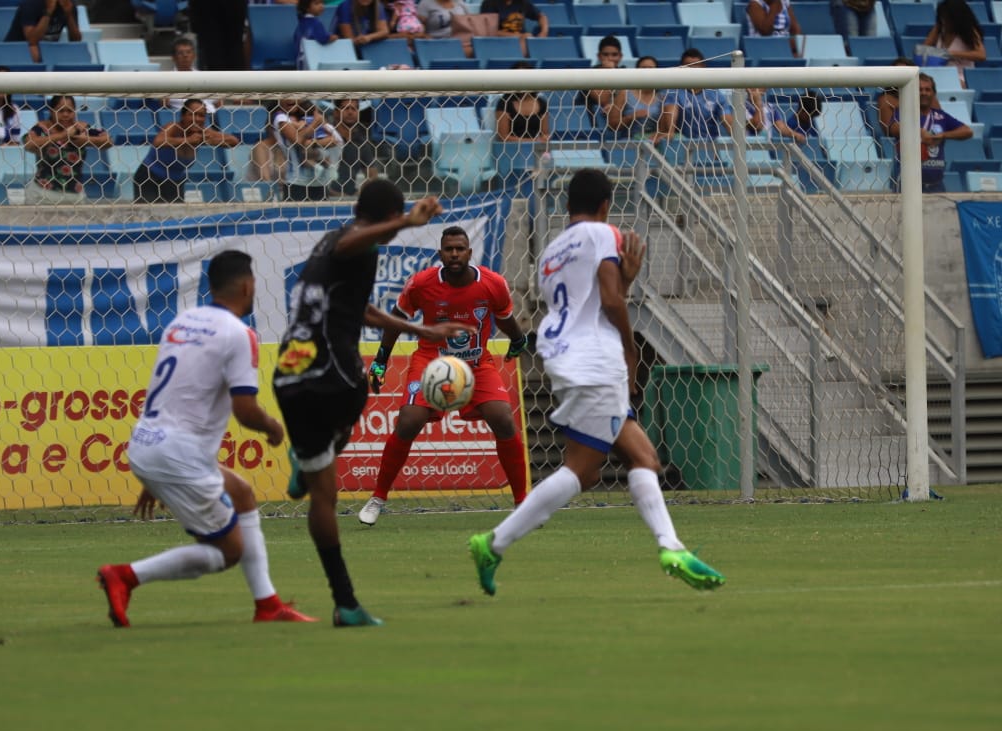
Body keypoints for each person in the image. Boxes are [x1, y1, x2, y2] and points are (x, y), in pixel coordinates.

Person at [468, 168, 725, 597]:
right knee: (584, 469)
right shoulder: (603, 233)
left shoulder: (551, 251)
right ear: (605, 205)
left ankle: (671, 547)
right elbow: (608, 302)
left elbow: (589, 300)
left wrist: (626, 278)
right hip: (596, 357)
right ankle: (494, 544)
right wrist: (630, 347)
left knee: (640, 457)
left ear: (568, 205)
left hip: (565, 355)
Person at [271, 179, 472, 626]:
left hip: (288, 372)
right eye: (395, 221)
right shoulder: (351, 243)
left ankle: (345, 603)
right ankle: (311, 463)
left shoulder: (330, 243)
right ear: (387, 217)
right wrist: (406, 220)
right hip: (329, 373)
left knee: (322, 493)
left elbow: (364, 311)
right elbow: (352, 244)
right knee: (362, 388)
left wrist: (424, 331)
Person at [97, 250, 318, 627]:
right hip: (178, 455)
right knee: (228, 552)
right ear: (249, 286)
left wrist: (156, 474)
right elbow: (245, 411)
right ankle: (126, 576)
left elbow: (166, 394)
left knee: (243, 493)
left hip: (148, 443)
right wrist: (274, 428)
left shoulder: (181, 322)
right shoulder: (239, 334)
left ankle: (268, 605)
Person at [357, 226, 533, 526]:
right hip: (432, 363)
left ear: (469, 252)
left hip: (476, 364)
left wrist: (518, 340)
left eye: (460, 248)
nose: (454, 254)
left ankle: (523, 504)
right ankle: (377, 497)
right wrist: (380, 362)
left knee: (503, 418)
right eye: (449, 249)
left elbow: (505, 318)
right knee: (409, 420)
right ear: (440, 254)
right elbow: (396, 321)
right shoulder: (422, 284)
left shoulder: (493, 284)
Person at [134, 98, 239, 204]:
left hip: (175, 182)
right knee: (150, 215)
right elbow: (158, 141)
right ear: (183, 116)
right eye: (192, 114)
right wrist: (187, 140)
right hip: (150, 178)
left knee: (175, 217)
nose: (197, 119)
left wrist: (213, 141)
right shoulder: (173, 127)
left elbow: (234, 141)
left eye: (201, 115)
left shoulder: (203, 133)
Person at [886, 72, 971, 192]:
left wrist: (943, 135)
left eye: (927, 89)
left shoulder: (940, 116)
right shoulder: (903, 112)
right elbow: (893, 128)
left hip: (936, 183)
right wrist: (919, 132)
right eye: (919, 89)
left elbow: (967, 131)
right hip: (908, 184)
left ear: (933, 93)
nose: (924, 93)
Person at [22, 95, 112, 205]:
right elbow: (29, 143)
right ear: (51, 111)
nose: (65, 114)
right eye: (60, 110)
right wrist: (63, 135)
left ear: (74, 112)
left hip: (74, 197)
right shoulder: (42, 128)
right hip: (42, 195)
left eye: (69, 111)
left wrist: (86, 140)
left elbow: (108, 141)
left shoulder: (80, 128)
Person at [269, 97, 344, 200]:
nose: (290, 99)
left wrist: (313, 142)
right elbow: (297, 140)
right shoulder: (280, 117)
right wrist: (315, 124)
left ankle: (326, 166)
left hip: (320, 184)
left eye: (294, 94)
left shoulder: (307, 115)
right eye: (285, 95)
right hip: (296, 183)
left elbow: (333, 140)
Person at [657, 49, 734, 142]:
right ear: (681, 68)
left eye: (696, 65)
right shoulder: (673, 92)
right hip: (682, 145)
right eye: (688, 66)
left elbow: (727, 119)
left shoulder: (715, 94)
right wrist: (670, 131)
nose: (693, 69)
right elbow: (671, 110)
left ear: (703, 67)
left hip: (710, 146)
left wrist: (737, 138)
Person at [923, 0, 986, 89]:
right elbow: (923, 50)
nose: (944, 21)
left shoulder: (970, 31)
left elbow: (981, 55)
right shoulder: (939, 29)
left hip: (961, 75)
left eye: (947, 18)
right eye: (942, 18)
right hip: (939, 72)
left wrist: (951, 54)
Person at [4, 0, 82, 64]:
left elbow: (76, 40)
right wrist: (48, 12)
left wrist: (69, 14)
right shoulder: (29, 5)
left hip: (47, 54)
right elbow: (32, 40)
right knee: (34, 51)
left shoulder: (68, 5)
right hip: (15, 53)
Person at [332, 97, 382, 195]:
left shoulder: (361, 143)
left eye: (354, 109)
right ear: (336, 113)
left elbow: (372, 175)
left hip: (349, 201)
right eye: (345, 108)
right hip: (324, 199)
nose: (350, 112)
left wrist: (360, 194)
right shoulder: (327, 137)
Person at [610, 56, 663, 140]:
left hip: (655, 142)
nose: (647, 72)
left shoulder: (662, 97)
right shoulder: (625, 93)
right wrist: (631, 117)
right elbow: (612, 125)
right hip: (630, 143)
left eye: (650, 68)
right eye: (643, 68)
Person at [495, 62, 550, 143]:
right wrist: (531, 141)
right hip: (512, 149)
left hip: (536, 149)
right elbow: (503, 136)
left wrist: (543, 140)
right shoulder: (505, 103)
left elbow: (545, 134)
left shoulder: (541, 103)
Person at [582, 36, 623, 126]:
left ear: (620, 56)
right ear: (599, 56)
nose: (610, 58)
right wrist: (610, 72)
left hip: (619, 120)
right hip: (590, 120)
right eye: (605, 54)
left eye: (614, 55)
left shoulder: (625, 74)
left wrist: (614, 106)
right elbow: (602, 99)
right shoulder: (588, 74)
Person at [295, 0, 338, 69]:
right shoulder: (316, 23)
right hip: (311, 60)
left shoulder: (302, 21)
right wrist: (332, 37)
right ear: (307, 7)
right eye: (317, 3)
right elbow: (323, 38)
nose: (321, 6)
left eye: (322, 3)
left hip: (300, 59)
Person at [480, 0, 547, 38]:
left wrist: (544, 32)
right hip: (499, 43)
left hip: (522, 41)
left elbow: (541, 16)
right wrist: (518, 36)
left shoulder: (523, 3)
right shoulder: (489, 4)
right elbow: (489, 32)